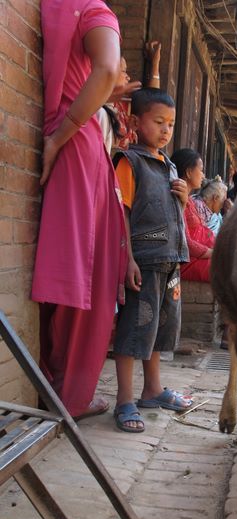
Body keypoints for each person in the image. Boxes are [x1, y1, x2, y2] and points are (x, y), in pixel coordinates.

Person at [31, 0, 128, 419]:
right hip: (77, 144)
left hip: (70, 143)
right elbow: (106, 70)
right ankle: (68, 392)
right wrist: (62, 136)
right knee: (81, 275)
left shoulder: (64, 8)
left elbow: (105, 72)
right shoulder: (91, 9)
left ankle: (61, 387)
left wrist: (58, 136)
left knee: (72, 270)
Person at [112, 89, 192, 432]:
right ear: (135, 122)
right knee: (135, 329)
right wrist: (126, 259)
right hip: (143, 260)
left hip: (170, 260)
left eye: (170, 124)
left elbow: (175, 214)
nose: (166, 130)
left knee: (160, 328)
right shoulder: (129, 163)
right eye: (158, 122)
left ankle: (153, 389)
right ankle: (124, 399)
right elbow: (121, 216)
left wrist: (185, 199)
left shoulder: (170, 165)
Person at [97, 42, 161, 154]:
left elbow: (153, 103)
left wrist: (155, 65)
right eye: (124, 71)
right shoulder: (96, 109)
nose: (128, 77)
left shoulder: (124, 104)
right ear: (109, 71)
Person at [170, 148, 215, 283]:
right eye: (201, 170)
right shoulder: (178, 197)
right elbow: (186, 243)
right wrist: (214, 253)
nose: (203, 175)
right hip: (188, 262)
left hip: (199, 257)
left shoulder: (189, 200)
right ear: (189, 172)